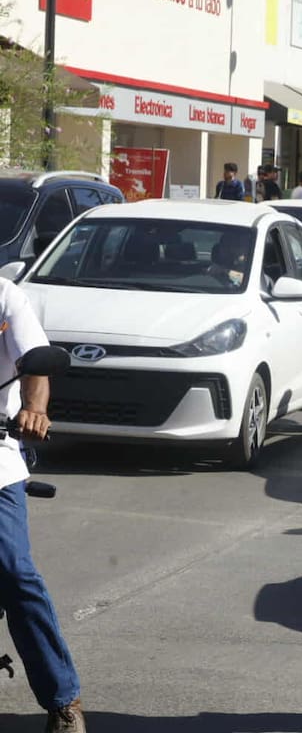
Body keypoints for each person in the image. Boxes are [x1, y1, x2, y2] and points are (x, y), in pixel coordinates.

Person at [0, 278, 85, 733]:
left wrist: (33, 409)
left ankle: (62, 699)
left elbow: (34, 363)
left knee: (15, 572)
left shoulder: (4, 296)